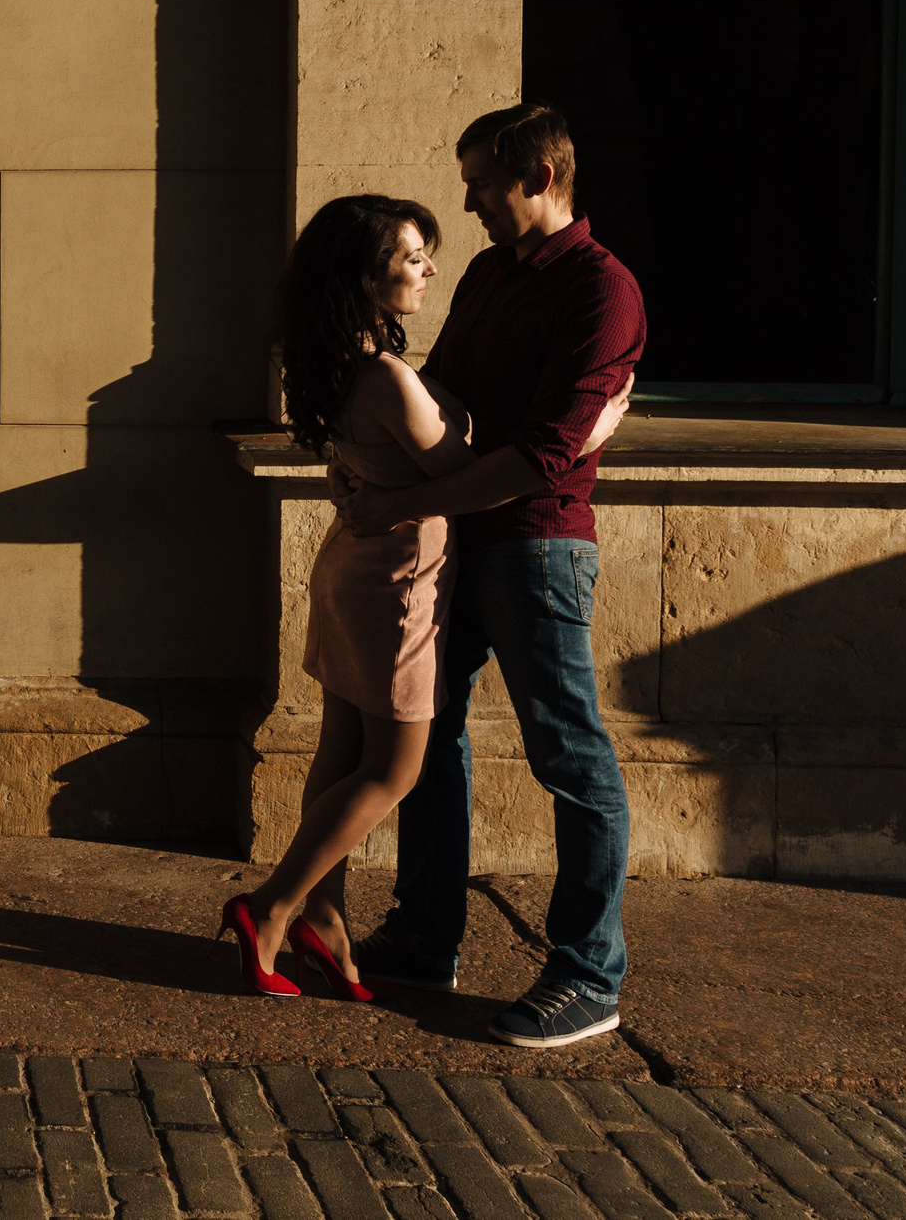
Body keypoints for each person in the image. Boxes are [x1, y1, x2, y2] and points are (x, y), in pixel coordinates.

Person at [219, 192, 628, 1005]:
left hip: (358, 570)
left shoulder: (348, 365)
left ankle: (324, 916)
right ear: (369, 275)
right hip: (397, 584)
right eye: (413, 257)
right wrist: (592, 429)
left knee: (341, 753)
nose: (431, 268)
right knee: (397, 769)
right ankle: (271, 906)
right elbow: (474, 473)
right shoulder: (388, 378)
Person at [332, 103, 646, 1050]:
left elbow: (545, 454)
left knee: (571, 753)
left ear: (540, 177)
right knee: (433, 735)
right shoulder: (486, 276)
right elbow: (450, 393)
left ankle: (590, 974)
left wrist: (401, 500)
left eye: (480, 182)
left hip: (539, 545)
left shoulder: (602, 289)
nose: (466, 202)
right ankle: (429, 935)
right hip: (460, 534)